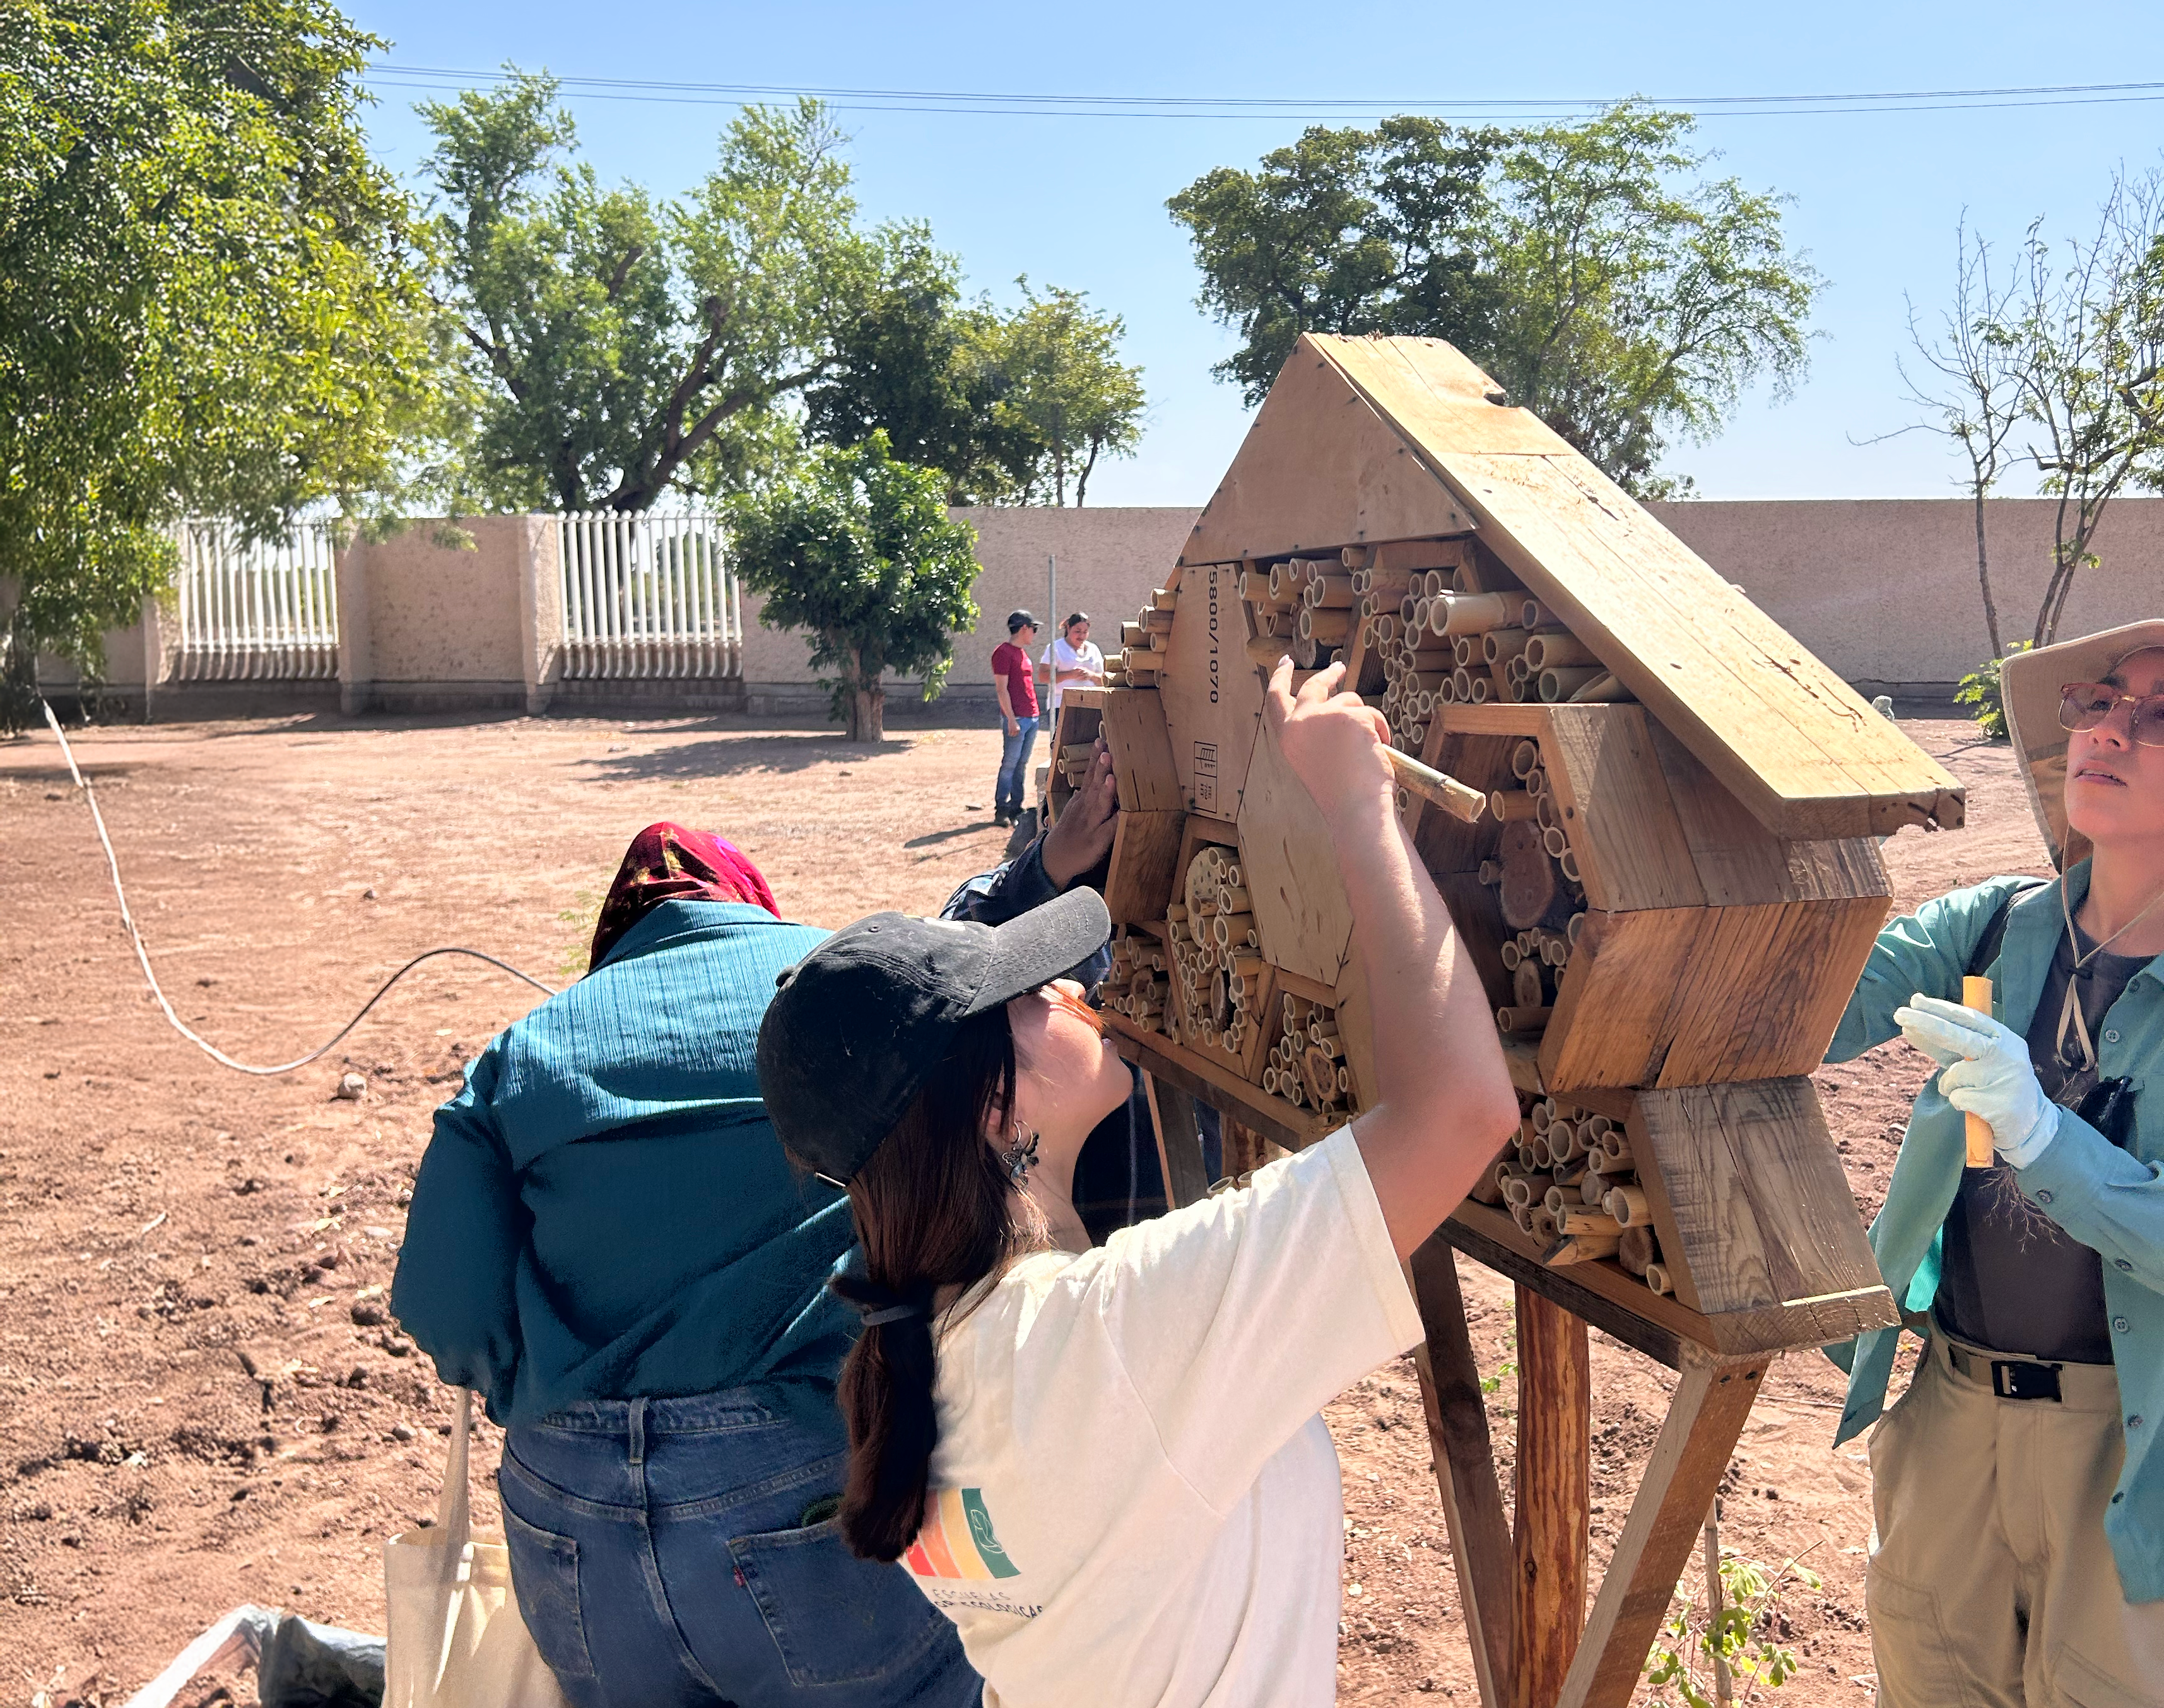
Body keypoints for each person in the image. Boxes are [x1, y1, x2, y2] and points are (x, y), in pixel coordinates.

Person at [755, 658, 1519, 1708]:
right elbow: (1462, 1111)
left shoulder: (925, 1361)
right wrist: (1354, 800)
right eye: (1026, 989)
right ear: (991, 1103)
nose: (1069, 982)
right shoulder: (1116, 1338)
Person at [391, 824, 980, 1708]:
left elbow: (442, 1303)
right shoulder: (836, 990)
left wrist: (552, 1394)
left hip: (571, 1519)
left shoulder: (524, 1051)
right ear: (747, 899)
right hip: (808, 1480)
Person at [1823, 621, 2164, 1707]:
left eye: (2160, 717)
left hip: (2130, 1449)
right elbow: (1802, 1009)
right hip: (1951, 1417)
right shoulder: (1994, 930)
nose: (2114, 728)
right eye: (2105, 701)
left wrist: (2045, 1137)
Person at [991, 610, 1041, 828]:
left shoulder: (1022, 653)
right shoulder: (1003, 652)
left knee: (1021, 764)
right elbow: (1002, 690)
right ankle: (1001, 808)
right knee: (1010, 764)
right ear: (1024, 628)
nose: (1034, 634)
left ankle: (1016, 807)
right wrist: (1011, 719)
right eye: (1034, 629)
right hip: (1018, 717)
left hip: (1032, 716)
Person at [1040, 612, 1105, 721]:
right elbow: (1043, 676)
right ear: (1068, 628)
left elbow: (1104, 679)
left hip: (1091, 705)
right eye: (1078, 632)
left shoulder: (1093, 649)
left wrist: (1091, 676)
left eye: (1085, 632)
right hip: (1061, 704)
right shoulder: (1055, 647)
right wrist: (1070, 675)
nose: (1082, 636)